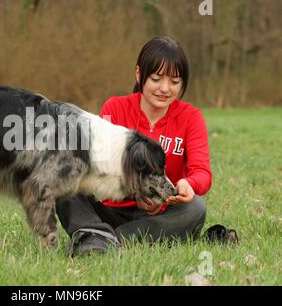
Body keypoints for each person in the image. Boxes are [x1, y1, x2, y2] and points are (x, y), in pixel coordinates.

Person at [56, 36, 212, 257]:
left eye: (175, 82)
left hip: (160, 214)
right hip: (110, 207)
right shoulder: (115, 107)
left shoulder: (191, 117)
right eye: (157, 79)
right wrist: (135, 192)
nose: (165, 89)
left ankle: (103, 239)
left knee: (195, 209)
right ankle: (96, 232)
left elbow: (202, 172)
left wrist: (189, 183)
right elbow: (101, 167)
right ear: (139, 74)